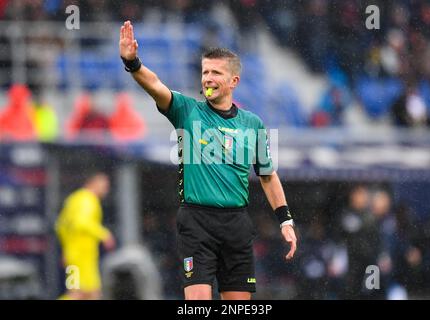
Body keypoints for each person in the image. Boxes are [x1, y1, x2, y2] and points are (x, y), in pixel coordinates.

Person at [119, 20, 298, 300]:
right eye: (205, 72)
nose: (208, 78)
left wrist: (285, 220)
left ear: (233, 81)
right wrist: (132, 63)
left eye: (216, 72)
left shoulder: (252, 124)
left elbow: (267, 175)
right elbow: (155, 85)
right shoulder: (186, 111)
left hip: (236, 223)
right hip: (196, 222)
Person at [55, 172, 116, 300]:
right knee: (80, 293)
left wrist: (66, 248)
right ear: (93, 184)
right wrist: (104, 234)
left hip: (74, 255)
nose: (106, 190)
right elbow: (81, 221)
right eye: (104, 186)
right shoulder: (88, 200)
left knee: (88, 293)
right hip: (83, 257)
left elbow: (60, 226)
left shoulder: (74, 198)